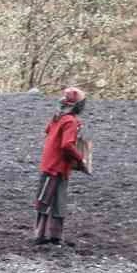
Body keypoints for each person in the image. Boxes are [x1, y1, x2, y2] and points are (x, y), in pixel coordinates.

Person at [34, 86, 88, 246]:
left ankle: (41, 234)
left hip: (50, 165)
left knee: (45, 200)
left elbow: (48, 130)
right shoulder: (71, 121)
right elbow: (66, 145)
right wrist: (81, 159)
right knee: (58, 201)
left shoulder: (57, 117)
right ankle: (53, 236)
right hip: (58, 167)